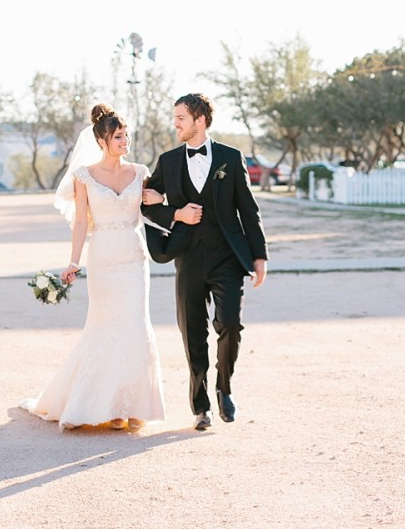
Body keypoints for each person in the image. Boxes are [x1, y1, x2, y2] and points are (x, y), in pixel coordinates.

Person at [22, 104, 166, 431]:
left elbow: (153, 206)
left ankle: (136, 405)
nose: (125, 140)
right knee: (105, 327)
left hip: (134, 258)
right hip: (102, 259)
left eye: (127, 135)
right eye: (118, 136)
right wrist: (73, 261)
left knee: (135, 326)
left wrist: (158, 200)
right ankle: (112, 406)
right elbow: (80, 224)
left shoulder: (141, 172)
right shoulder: (83, 177)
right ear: (102, 140)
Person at [142, 93, 268, 432]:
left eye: (181, 117)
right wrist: (176, 213)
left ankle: (224, 388)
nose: (175, 123)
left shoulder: (231, 157)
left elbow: (248, 209)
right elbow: (144, 201)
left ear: (200, 120)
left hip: (227, 256)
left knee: (230, 324)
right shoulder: (168, 161)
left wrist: (259, 256)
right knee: (192, 334)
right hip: (188, 258)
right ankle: (200, 406)